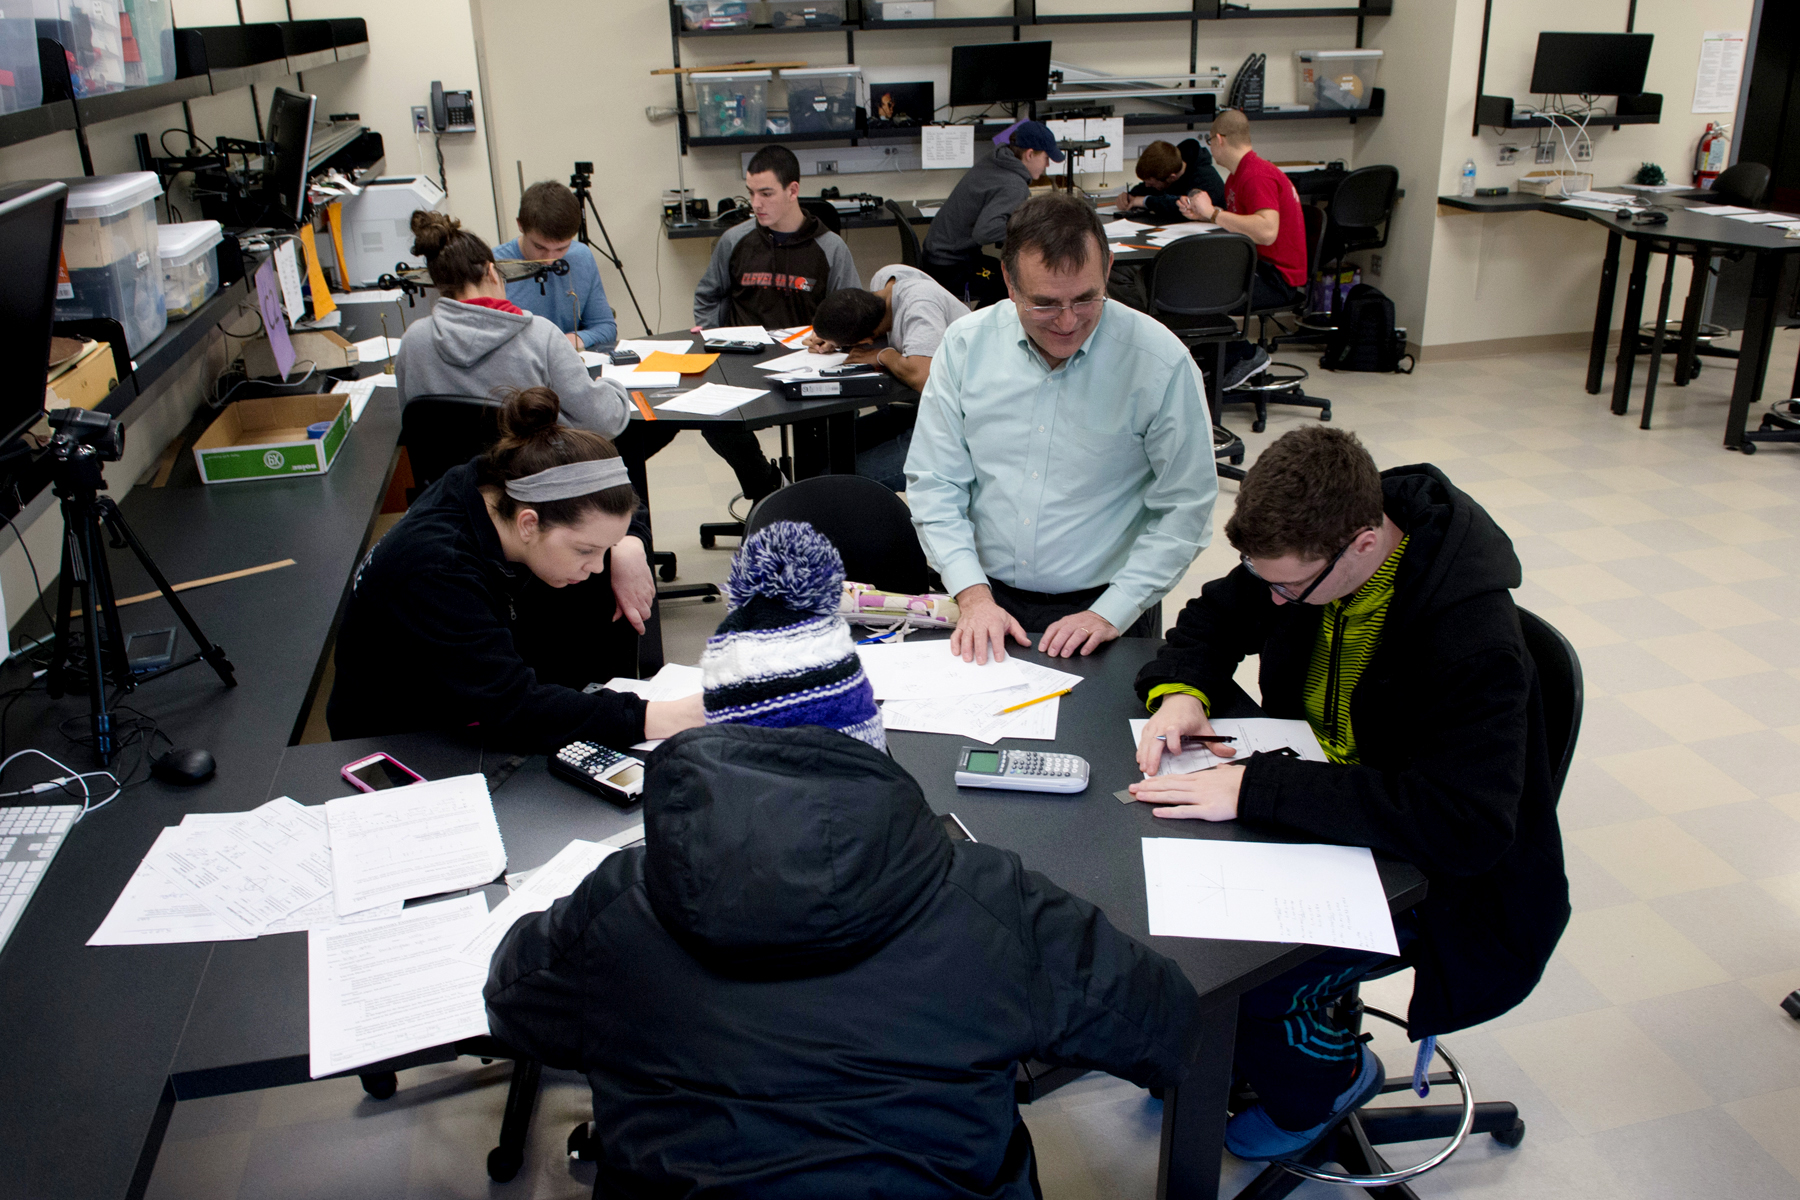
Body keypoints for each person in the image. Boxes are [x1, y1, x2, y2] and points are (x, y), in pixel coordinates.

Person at [486, 520, 1204, 1199]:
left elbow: (513, 1007)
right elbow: (1168, 1027)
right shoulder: (990, 901)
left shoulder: (621, 902)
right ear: (868, 735)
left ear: (714, 744)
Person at [1128, 426, 1569, 1163]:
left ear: (1363, 545)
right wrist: (1181, 691)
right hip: (1329, 805)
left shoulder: (1470, 641)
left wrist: (1260, 787)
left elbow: (1464, 825)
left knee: (1252, 975)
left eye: (1288, 588)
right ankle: (1237, 1051)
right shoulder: (1310, 546)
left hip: (1437, 873)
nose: (1273, 597)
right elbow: (1215, 615)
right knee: (1170, 921)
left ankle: (1325, 1085)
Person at [906, 190, 1219, 663]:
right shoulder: (966, 346)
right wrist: (972, 595)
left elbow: (1186, 507)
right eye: (1046, 304)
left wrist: (1112, 612)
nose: (1069, 322)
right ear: (1009, 282)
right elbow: (936, 480)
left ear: (1108, 269)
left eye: (1086, 298)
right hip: (983, 599)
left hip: (1109, 608)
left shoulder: (1159, 362)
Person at [327, 386, 705, 752]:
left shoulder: (490, 482)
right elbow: (512, 706)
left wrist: (629, 544)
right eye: (587, 550)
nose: (596, 566)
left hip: (465, 689)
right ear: (527, 523)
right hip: (406, 738)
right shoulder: (438, 569)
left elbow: (615, 506)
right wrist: (660, 716)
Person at [629, 145, 861, 506]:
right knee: (708, 413)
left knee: (824, 429)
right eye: (751, 193)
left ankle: (813, 507)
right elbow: (708, 295)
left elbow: (850, 312)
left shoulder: (830, 248)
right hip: (738, 364)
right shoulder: (734, 240)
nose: (756, 203)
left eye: (766, 193)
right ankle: (766, 485)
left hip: (805, 363)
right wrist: (711, 333)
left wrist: (833, 339)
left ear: (792, 191)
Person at [393, 211, 629, 438]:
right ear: (493, 272)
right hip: (534, 476)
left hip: (449, 478)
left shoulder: (414, 340)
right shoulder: (540, 336)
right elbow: (603, 422)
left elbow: (412, 422)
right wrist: (611, 387)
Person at [806, 265, 971, 490]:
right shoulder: (886, 281)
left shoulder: (920, 307)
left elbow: (924, 376)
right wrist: (832, 337)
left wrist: (882, 355)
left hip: (966, 428)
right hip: (932, 411)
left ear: (865, 340)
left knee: (838, 481)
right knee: (817, 455)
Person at [1177, 108, 1310, 387]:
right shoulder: (1237, 177)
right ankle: (1216, 358)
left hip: (1277, 277)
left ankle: (1243, 355)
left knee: (1194, 291)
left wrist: (1213, 213)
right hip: (1259, 266)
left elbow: (1266, 230)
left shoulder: (1255, 175)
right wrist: (1203, 215)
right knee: (1191, 280)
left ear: (1220, 140)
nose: (1210, 148)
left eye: (1210, 141)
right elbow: (1242, 224)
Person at [920, 120, 1064, 307]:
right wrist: (1026, 230)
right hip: (949, 266)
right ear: (1029, 154)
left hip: (936, 255)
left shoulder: (996, 161)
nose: (1047, 165)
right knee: (1011, 285)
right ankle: (977, 332)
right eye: (1046, 158)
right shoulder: (1014, 184)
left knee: (1005, 273)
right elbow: (985, 232)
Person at [493, 180, 618, 352]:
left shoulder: (581, 256)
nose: (549, 260)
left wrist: (578, 338)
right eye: (539, 247)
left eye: (561, 248)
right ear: (520, 225)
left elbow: (605, 326)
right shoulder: (494, 267)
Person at [1116, 137, 1226, 218]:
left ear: (1172, 178)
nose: (1148, 186)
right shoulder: (1169, 166)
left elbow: (1182, 206)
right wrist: (1130, 196)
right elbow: (1148, 189)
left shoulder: (1206, 180)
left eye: (1152, 183)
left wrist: (1145, 201)